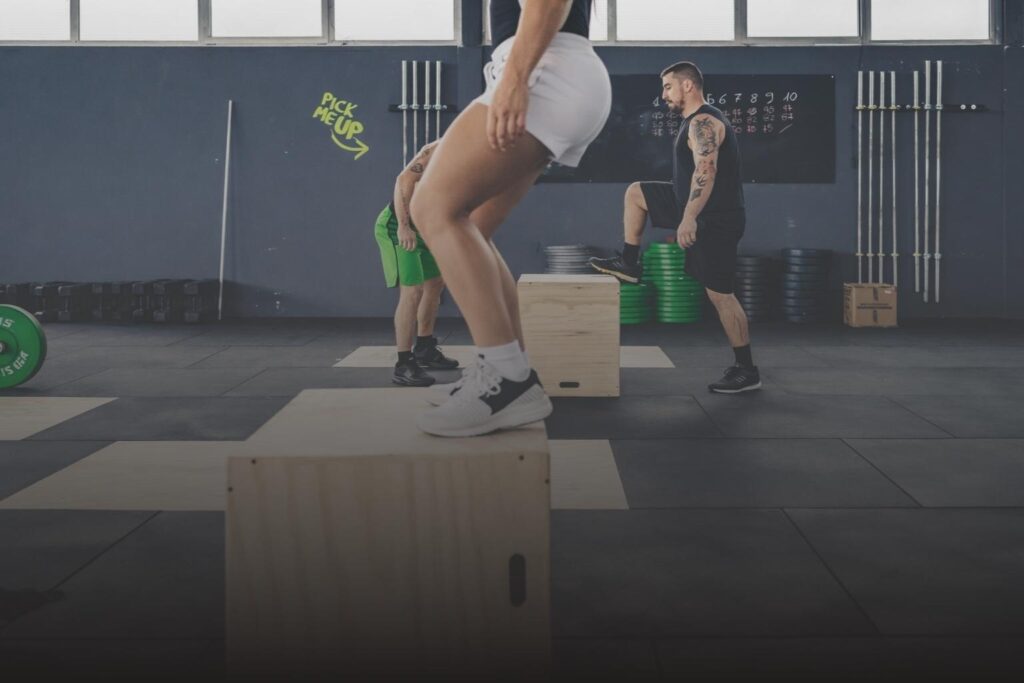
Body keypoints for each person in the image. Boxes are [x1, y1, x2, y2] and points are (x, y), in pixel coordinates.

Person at [409, 0, 611, 437]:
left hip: (544, 71)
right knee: (473, 228)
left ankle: (505, 378)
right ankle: (511, 371)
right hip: (549, 70)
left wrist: (515, 82)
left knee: (431, 207)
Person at [589, 61, 761, 394]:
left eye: (668, 86)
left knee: (721, 295)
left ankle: (747, 370)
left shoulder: (704, 123)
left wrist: (689, 217)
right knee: (637, 192)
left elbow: (706, 170)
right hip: (690, 203)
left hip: (717, 217)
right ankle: (629, 262)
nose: (663, 94)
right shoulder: (692, 122)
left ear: (688, 85)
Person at [373, 141, 460, 387]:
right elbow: (404, 179)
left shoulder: (482, 153)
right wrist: (403, 226)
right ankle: (403, 363)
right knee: (412, 291)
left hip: (428, 227)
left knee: (435, 285)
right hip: (399, 226)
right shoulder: (442, 147)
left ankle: (424, 348)